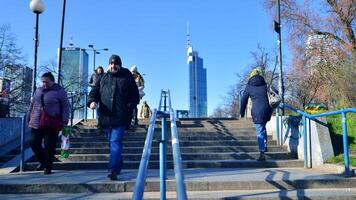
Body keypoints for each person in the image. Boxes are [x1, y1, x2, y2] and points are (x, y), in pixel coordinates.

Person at [87, 54, 139, 180]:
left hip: (120, 117)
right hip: (105, 117)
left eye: (115, 64)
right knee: (112, 143)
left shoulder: (127, 77)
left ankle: (112, 170)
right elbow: (93, 93)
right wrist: (92, 102)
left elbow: (135, 97)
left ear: (119, 65)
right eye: (111, 64)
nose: (113, 66)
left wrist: (128, 107)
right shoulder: (103, 78)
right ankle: (118, 163)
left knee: (115, 142)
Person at [27, 72, 70, 174]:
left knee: (49, 145)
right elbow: (32, 105)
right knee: (33, 142)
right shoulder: (38, 90)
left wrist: (65, 120)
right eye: (43, 82)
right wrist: (28, 116)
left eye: (47, 82)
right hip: (36, 121)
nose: (44, 84)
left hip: (52, 122)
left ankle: (48, 167)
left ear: (52, 81)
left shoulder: (60, 91)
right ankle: (43, 161)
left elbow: (65, 106)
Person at [240, 68, 273, 162]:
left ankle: (262, 152)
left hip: (257, 111)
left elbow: (243, 100)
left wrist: (242, 112)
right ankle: (265, 144)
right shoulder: (264, 84)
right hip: (267, 110)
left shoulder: (249, 86)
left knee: (260, 131)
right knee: (263, 127)